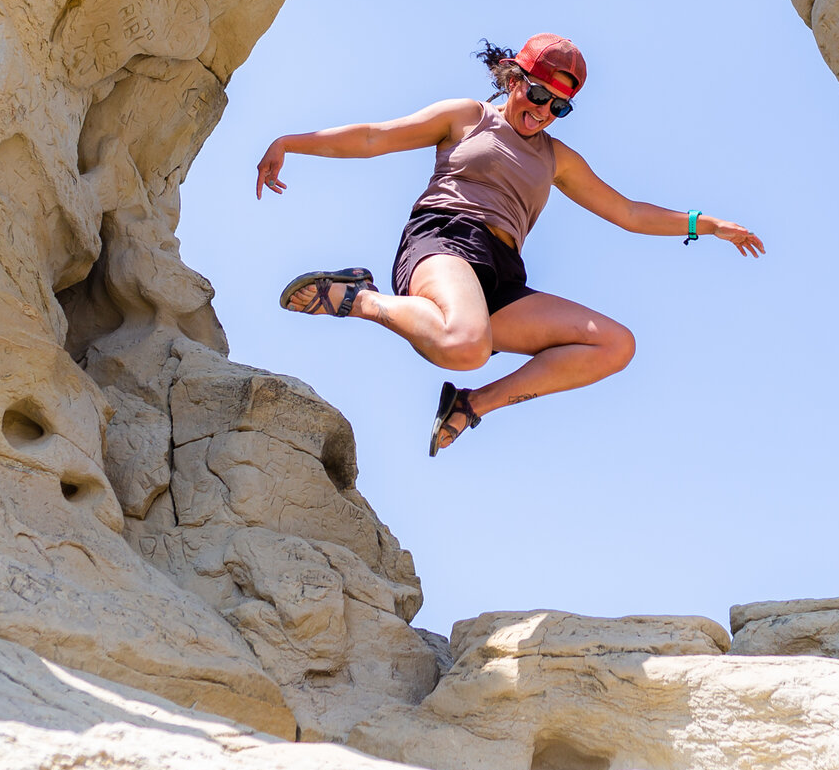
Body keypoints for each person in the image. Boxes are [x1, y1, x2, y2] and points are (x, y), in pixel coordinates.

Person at [256, 33, 764, 455]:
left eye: (559, 107)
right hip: (445, 238)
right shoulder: (468, 116)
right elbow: (375, 136)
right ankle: (358, 295)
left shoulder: (555, 158)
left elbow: (627, 212)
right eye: (539, 95)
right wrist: (291, 143)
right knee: (463, 346)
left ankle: (471, 405)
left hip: (503, 272)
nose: (544, 111)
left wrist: (708, 225)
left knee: (615, 344)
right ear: (513, 79)